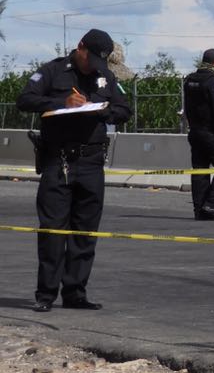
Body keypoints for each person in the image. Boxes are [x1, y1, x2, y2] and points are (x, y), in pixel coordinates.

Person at [16, 28, 132, 312]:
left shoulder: (105, 76)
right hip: (59, 161)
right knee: (54, 229)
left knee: (85, 231)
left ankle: (75, 292)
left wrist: (100, 110)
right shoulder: (53, 71)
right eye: (90, 58)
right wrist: (60, 103)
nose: (92, 66)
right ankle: (46, 294)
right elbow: (25, 100)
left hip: (91, 162)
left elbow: (124, 110)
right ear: (80, 47)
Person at [183, 48, 214, 221]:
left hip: (195, 132)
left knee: (200, 170)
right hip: (211, 134)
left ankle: (200, 209)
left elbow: (188, 109)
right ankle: (213, 204)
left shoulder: (189, 80)